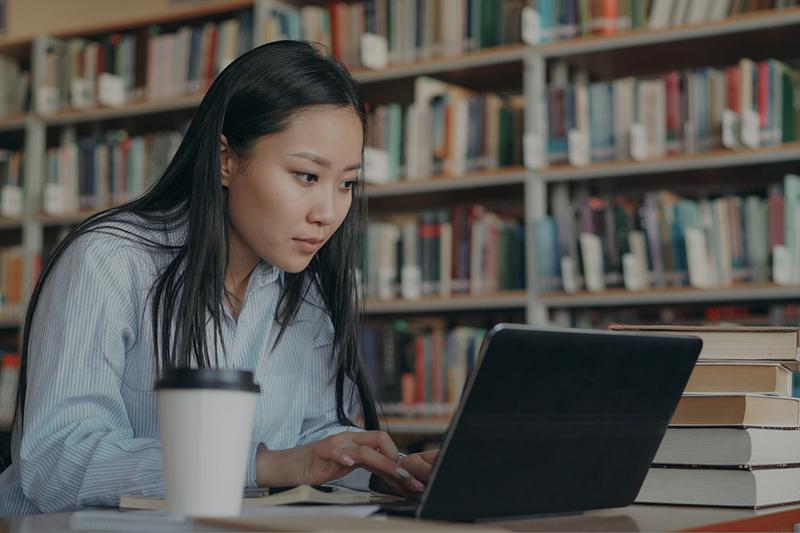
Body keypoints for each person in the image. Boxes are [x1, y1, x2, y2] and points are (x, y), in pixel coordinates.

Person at [0, 40, 436, 516]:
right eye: (307, 176)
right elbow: (55, 463)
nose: (329, 213)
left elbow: (309, 446)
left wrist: (378, 470)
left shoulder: (302, 290)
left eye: (347, 182)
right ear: (225, 159)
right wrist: (261, 464)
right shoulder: (110, 261)